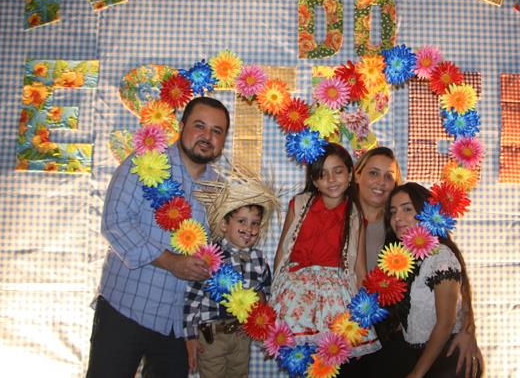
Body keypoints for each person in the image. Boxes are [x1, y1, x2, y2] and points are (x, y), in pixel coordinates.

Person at [85, 97, 230, 378]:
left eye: (217, 131)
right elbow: (115, 222)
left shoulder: (219, 190)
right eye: (199, 126)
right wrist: (169, 261)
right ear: (181, 126)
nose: (207, 136)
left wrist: (192, 329)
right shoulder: (144, 162)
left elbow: (210, 257)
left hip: (175, 327)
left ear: (223, 140)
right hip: (125, 309)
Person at [341, 148, 483, 377]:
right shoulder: (339, 218)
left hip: (396, 344)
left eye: (388, 176)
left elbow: (455, 288)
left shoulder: (409, 238)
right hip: (346, 331)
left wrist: (468, 327)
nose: (381, 182)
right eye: (373, 173)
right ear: (356, 176)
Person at [270, 143, 380, 356]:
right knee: (300, 357)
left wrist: (363, 311)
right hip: (296, 294)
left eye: (338, 171)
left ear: (350, 174)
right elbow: (282, 252)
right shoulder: (299, 204)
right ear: (314, 181)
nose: (331, 179)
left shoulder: (355, 214)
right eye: (322, 174)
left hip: (335, 297)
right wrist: (276, 290)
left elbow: (359, 268)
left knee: (330, 357)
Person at [184, 163, 280, 377]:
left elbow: (266, 292)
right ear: (225, 224)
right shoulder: (210, 256)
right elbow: (193, 297)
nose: (249, 229)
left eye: (255, 223)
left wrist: (262, 304)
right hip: (211, 336)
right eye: (242, 221)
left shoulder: (259, 259)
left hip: (241, 335)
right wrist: (190, 335)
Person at [386, 182, 481, 378]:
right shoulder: (400, 259)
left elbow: (446, 322)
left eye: (407, 209)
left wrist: (417, 374)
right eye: (393, 211)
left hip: (446, 359)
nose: (397, 217)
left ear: (426, 214)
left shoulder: (440, 255)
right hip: (417, 355)